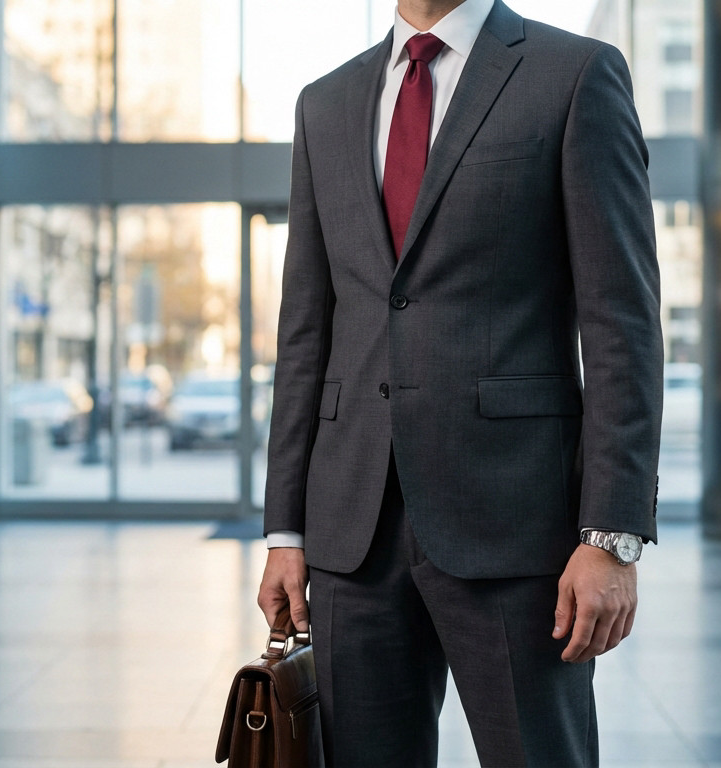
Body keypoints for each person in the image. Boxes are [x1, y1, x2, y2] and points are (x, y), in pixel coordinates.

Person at [256, 0, 663, 765]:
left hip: (517, 529)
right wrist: (287, 531)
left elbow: (622, 327)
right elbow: (306, 334)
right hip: (353, 537)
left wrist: (611, 537)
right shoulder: (325, 103)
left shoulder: (573, 76)